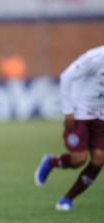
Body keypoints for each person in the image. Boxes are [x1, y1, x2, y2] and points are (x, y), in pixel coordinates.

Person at [34, 46, 104, 211]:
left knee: (99, 158)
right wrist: (68, 112)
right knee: (78, 159)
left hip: (100, 115)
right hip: (79, 112)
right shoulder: (95, 57)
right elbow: (66, 76)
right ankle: (51, 162)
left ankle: (67, 199)